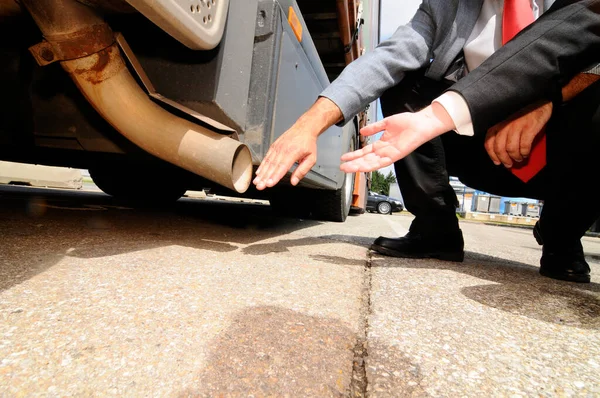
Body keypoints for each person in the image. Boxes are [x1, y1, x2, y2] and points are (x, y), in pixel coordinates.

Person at [253, 0, 600, 282]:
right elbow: (388, 57)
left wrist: (548, 101)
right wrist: (309, 124)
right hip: (478, 147)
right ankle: (436, 230)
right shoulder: (446, 7)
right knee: (405, 80)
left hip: (561, 146)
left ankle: (561, 237)